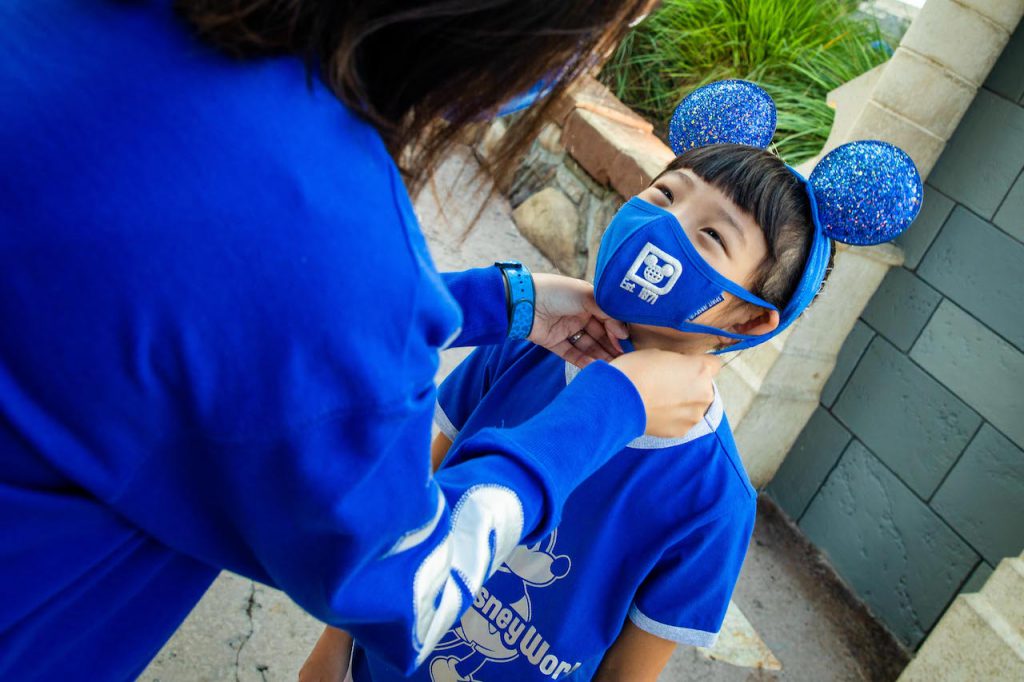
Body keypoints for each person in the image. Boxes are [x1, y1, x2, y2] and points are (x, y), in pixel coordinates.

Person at [0, 1, 724, 680]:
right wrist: (610, 409)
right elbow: (407, 589)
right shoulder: (330, 239)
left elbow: (220, 313)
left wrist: (498, 302)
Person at [298, 81, 923, 682]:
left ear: (748, 317)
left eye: (710, 234)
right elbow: (409, 503)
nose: (664, 227)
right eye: (664, 195)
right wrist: (335, 646)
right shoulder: (522, 352)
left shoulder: (713, 501)